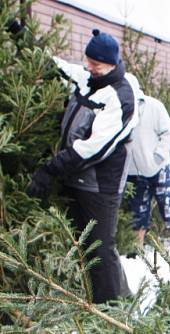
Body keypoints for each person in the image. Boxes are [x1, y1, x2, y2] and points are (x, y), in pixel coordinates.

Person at [26, 29, 138, 304]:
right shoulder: (87, 79)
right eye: (87, 61)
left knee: (99, 247)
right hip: (73, 178)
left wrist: (49, 169)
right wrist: (22, 36)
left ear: (112, 63)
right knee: (81, 245)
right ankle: (99, 301)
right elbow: (54, 64)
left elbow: (91, 148)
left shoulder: (120, 97)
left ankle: (113, 312)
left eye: (96, 64)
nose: (89, 67)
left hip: (99, 185)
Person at [126, 81, 170, 249]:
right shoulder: (116, 109)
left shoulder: (154, 106)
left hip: (158, 166)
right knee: (137, 211)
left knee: (167, 206)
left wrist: (158, 156)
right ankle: (137, 249)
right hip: (133, 170)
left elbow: (168, 133)